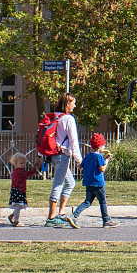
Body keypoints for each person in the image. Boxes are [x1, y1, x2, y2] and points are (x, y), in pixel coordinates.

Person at [45, 93, 81, 228]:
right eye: (73, 103)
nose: (75, 105)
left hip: (53, 154)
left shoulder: (53, 117)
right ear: (67, 104)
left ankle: (61, 213)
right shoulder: (69, 119)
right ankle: (51, 217)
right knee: (58, 184)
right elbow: (73, 142)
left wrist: (39, 156)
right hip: (62, 155)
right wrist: (79, 160)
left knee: (70, 182)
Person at [72, 133, 117, 228]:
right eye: (103, 145)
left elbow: (80, 166)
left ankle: (74, 216)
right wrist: (107, 160)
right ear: (100, 147)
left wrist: (79, 163)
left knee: (87, 202)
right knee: (102, 202)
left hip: (89, 183)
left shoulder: (88, 156)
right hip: (98, 183)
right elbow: (102, 169)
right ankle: (106, 220)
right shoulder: (99, 157)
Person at [7, 152, 32, 227]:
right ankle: (16, 220)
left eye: (24, 163)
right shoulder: (20, 171)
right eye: (21, 163)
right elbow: (29, 174)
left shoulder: (14, 171)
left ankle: (12, 215)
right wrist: (35, 169)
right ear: (16, 163)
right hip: (19, 190)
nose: (23, 165)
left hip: (16, 190)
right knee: (19, 205)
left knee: (19, 205)